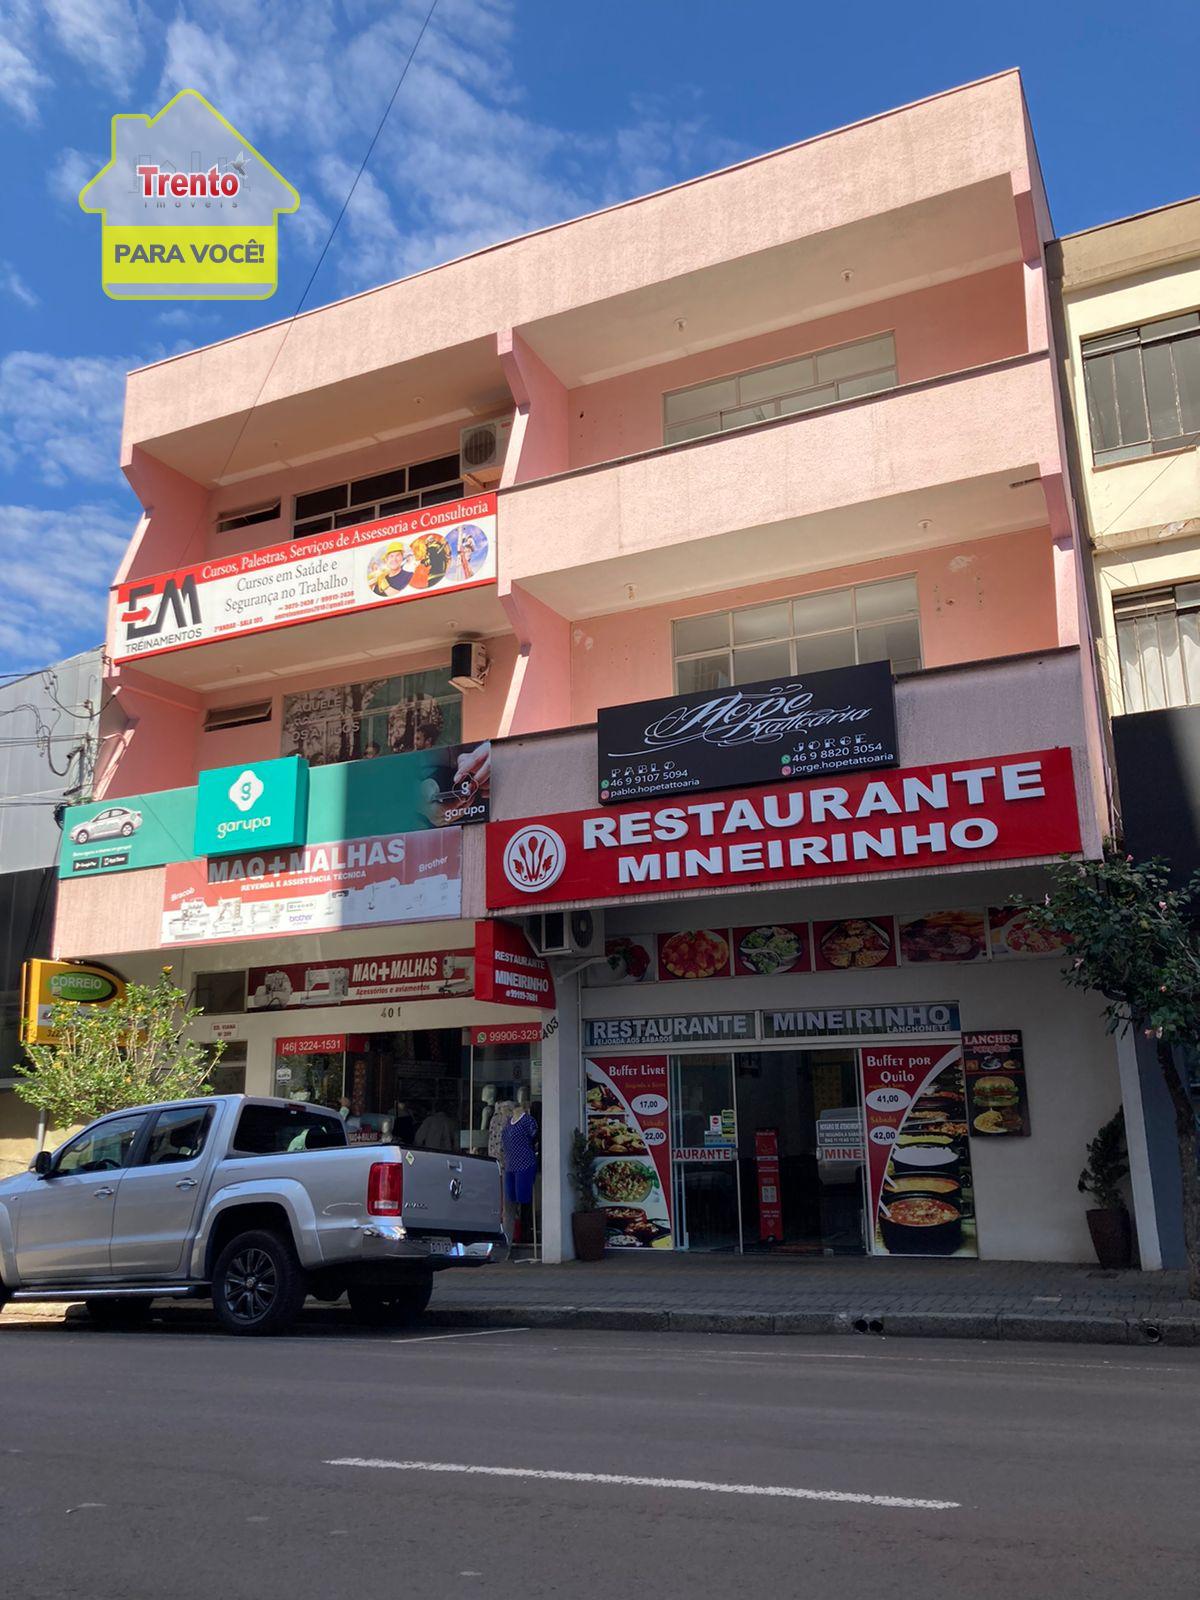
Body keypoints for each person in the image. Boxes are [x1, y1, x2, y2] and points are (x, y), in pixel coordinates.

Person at [500, 1100, 538, 1244]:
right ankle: (507, 1241)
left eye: (504, 1107)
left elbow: (535, 1139)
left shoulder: (528, 1121)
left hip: (525, 1164)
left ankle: (527, 1235)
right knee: (509, 1204)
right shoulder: (508, 1122)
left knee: (524, 1201)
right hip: (510, 1165)